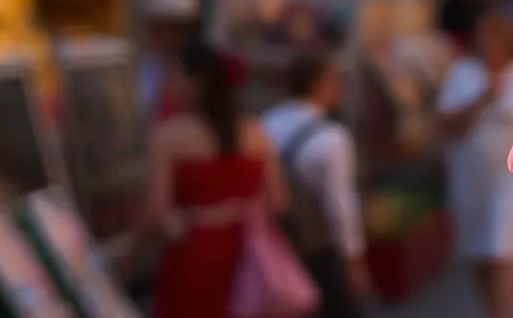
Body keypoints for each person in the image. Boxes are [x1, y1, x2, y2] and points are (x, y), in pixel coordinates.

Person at [125, 39, 287, 318]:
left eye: (175, 74)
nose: (169, 83)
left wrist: (128, 261)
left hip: (191, 258)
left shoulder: (169, 136)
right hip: (243, 259)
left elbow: (155, 215)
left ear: (196, 82)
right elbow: (278, 201)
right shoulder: (255, 133)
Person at [437, 11, 513, 318]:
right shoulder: (462, 73)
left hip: (511, 180)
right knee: (480, 254)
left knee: (501, 252)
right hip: (472, 177)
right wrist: (484, 96)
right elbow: (447, 122)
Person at [262, 52, 369, 318]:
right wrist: (353, 259)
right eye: (335, 81)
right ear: (320, 84)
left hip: (272, 241)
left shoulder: (265, 123)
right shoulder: (332, 137)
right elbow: (340, 205)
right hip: (316, 249)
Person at [136, 0, 201, 122]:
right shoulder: (143, 66)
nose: (164, 36)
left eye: (174, 29)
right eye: (155, 28)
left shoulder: (198, 69)